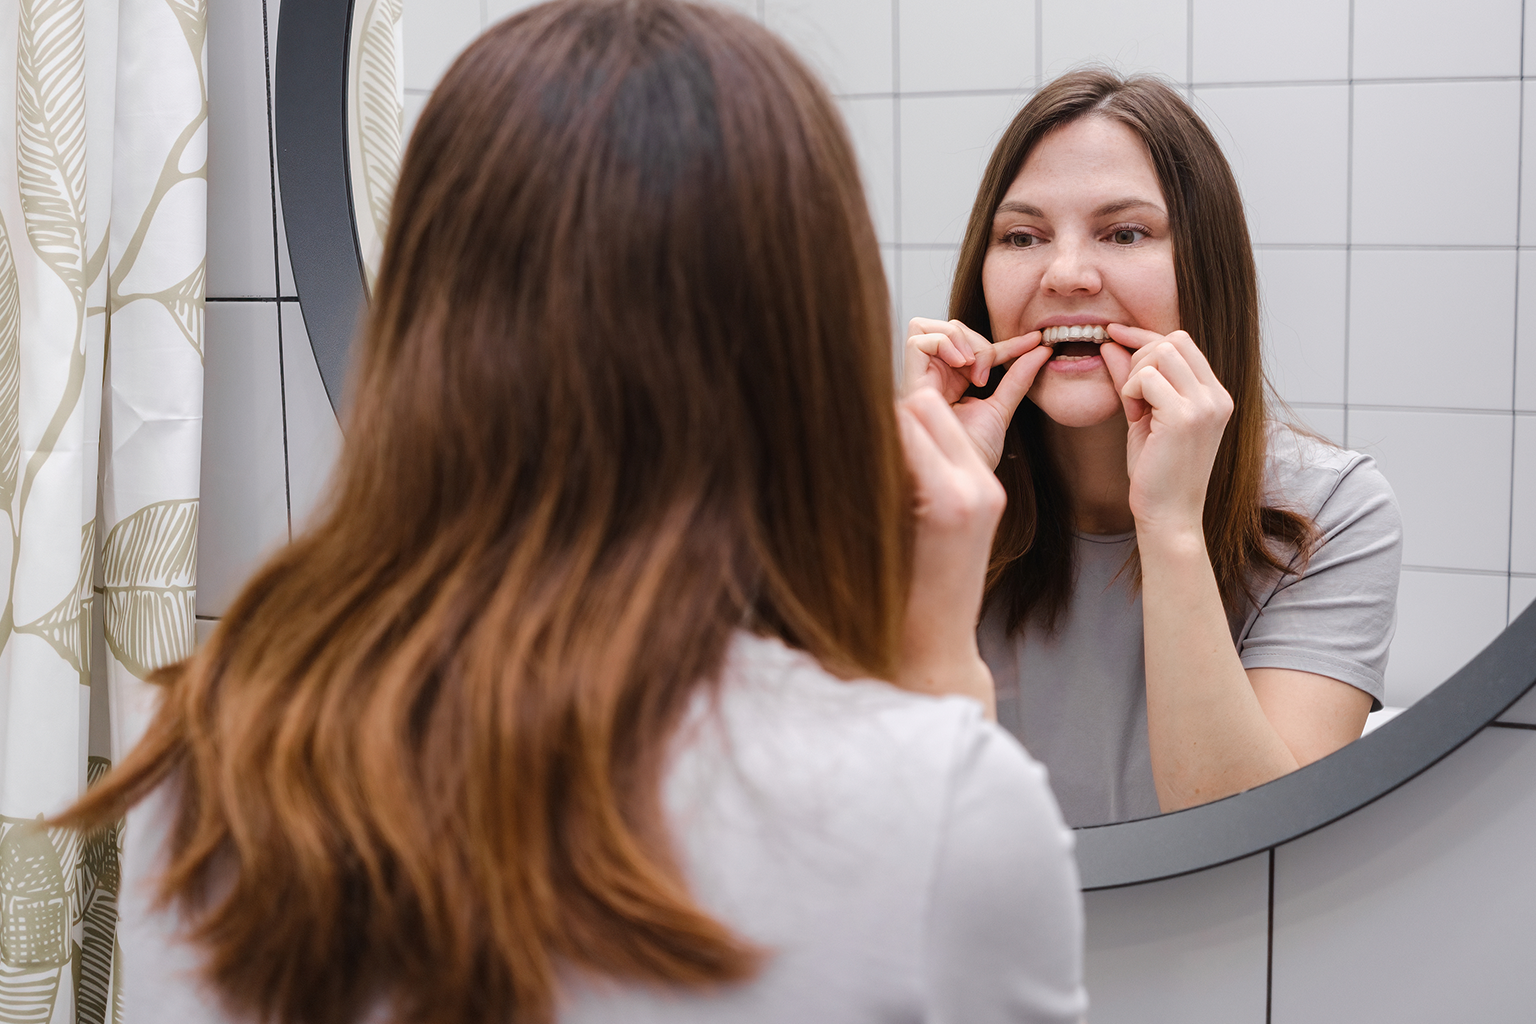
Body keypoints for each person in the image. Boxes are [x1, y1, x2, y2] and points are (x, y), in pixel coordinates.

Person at [61, 3, 1088, 1023]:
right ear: (812, 350)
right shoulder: (942, 810)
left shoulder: (210, 750)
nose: (1069, 274)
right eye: (1026, 235)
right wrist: (940, 688)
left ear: (424, 323)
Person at [904, 70, 1402, 827]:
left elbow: (1259, 846)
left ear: (1205, 269)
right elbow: (837, 802)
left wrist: (1169, 524)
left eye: (1125, 232)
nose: (1066, 274)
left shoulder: (1334, 510)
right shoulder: (916, 491)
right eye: (1022, 237)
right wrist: (913, 521)